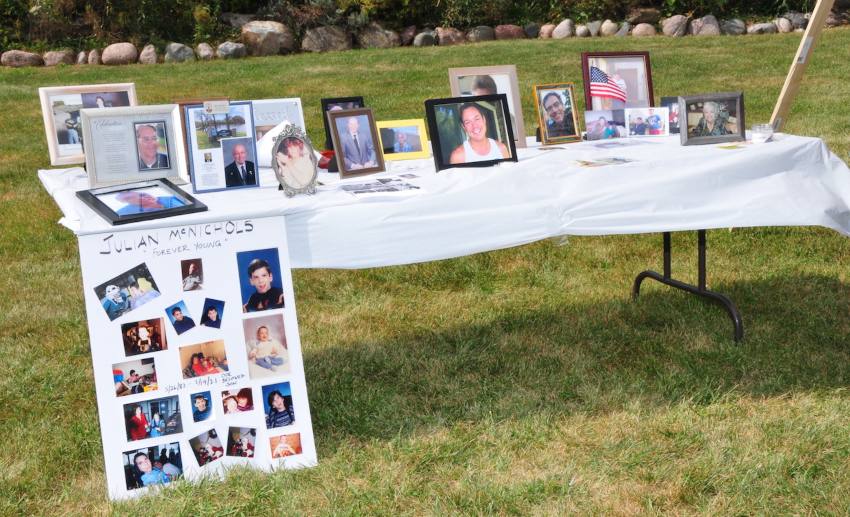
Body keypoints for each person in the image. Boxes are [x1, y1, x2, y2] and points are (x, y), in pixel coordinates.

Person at [114, 190, 184, 217]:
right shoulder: (124, 212)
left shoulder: (175, 198)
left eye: (143, 195)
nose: (145, 197)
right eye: (128, 199)